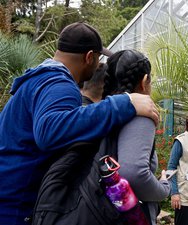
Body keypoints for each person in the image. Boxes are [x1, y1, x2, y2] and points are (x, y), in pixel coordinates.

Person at [0, 22, 159, 225]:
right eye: (98, 59)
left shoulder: (39, 78)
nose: (99, 65)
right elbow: (50, 131)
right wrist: (124, 103)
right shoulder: (59, 84)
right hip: (14, 205)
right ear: (89, 57)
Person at [103, 49, 171, 225]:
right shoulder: (141, 115)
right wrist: (163, 188)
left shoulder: (101, 111)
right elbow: (134, 173)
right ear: (144, 81)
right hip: (126, 214)